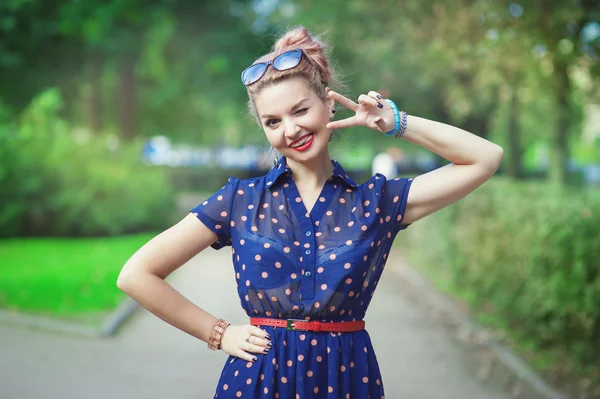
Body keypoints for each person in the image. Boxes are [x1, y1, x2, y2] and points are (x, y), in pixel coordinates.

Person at [117, 25, 504, 398]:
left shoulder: (375, 202)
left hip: (346, 380)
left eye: (300, 110)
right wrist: (218, 333)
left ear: (328, 104)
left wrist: (393, 123)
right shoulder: (239, 200)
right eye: (273, 121)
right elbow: (137, 275)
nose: (290, 130)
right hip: (258, 381)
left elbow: (485, 159)